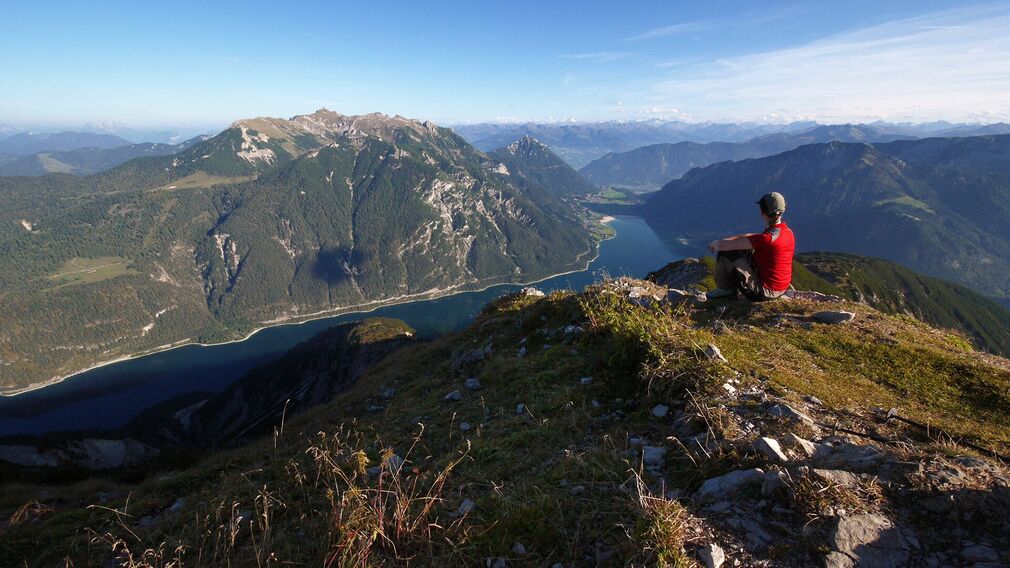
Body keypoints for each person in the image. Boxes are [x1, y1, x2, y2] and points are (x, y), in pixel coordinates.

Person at [705, 191, 795, 301]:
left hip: (763, 292)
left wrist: (716, 244)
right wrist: (728, 239)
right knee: (744, 250)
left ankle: (726, 290)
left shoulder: (766, 239)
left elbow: (724, 246)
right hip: (779, 289)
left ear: (762, 212)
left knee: (727, 253)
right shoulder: (786, 232)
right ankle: (729, 290)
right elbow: (752, 236)